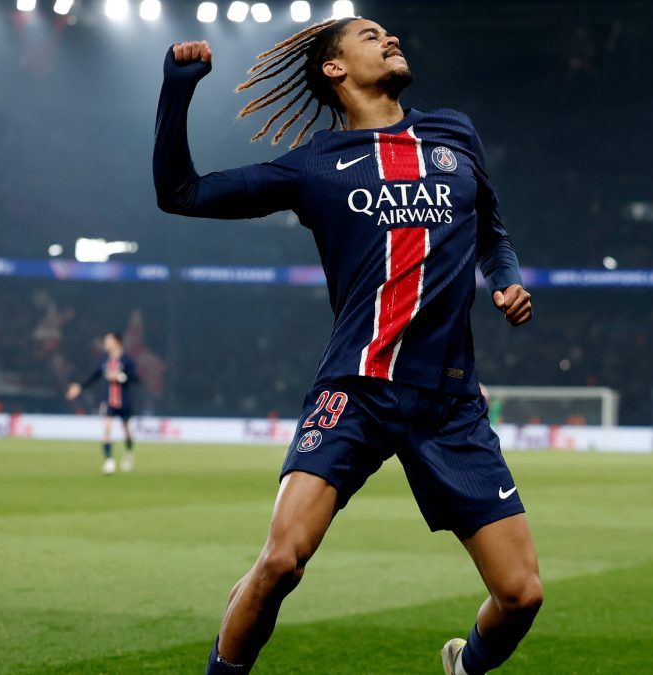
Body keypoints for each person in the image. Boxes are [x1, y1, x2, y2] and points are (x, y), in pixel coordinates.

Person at [154, 18, 541, 675]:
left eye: (392, 33)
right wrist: (177, 92)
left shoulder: (453, 132)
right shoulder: (314, 165)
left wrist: (504, 280)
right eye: (370, 35)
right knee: (280, 561)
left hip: (449, 404)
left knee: (521, 593)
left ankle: (463, 666)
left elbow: (491, 230)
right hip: (354, 389)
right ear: (334, 69)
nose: (391, 38)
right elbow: (181, 193)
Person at [66, 332, 138, 475]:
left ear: (117, 342)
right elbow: (94, 376)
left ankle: (129, 452)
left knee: (127, 431)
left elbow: (135, 378)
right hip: (109, 400)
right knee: (106, 429)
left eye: (108, 341)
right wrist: (79, 387)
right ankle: (108, 460)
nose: (105, 344)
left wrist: (120, 377)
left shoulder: (127, 360)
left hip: (124, 401)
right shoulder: (104, 360)